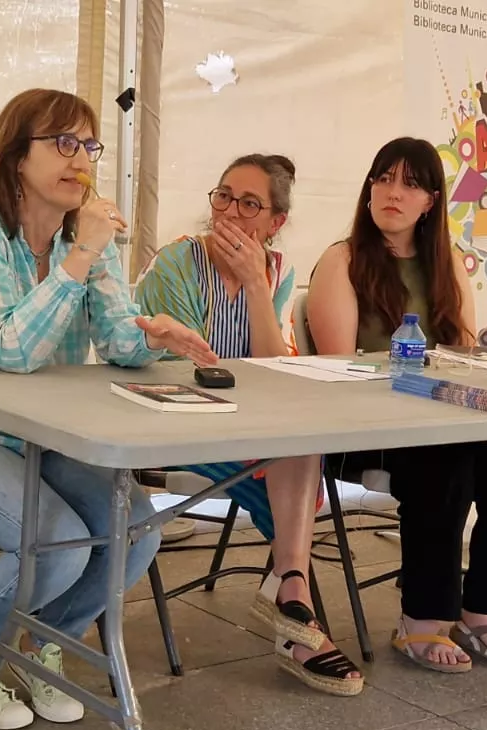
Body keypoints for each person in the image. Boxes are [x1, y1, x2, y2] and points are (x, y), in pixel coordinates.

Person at [0, 88, 217, 730]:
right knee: (58, 544)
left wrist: (151, 334)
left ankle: (44, 645)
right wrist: (80, 257)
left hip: (44, 438)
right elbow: (9, 349)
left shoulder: (84, 238)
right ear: (18, 155)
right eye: (62, 143)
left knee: (136, 532)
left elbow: (118, 342)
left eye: (88, 145)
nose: (80, 160)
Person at [304, 136, 487, 673]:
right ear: (369, 187)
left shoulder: (447, 262)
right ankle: (418, 620)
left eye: (410, 184)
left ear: (431, 202)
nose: (393, 193)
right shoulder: (341, 260)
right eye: (384, 179)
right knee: (447, 462)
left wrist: (483, 356)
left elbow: (460, 351)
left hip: (439, 417)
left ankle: (480, 610)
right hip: (364, 426)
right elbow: (339, 367)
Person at [136, 154, 363, 696]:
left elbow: (276, 372)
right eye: (223, 196)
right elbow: (194, 372)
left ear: (274, 223)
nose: (230, 213)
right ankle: (296, 606)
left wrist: (258, 288)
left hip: (246, 428)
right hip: (166, 421)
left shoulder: (278, 271)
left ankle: (291, 591)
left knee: (299, 439)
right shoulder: (177, 264)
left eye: (250, 204)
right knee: (292, 457)